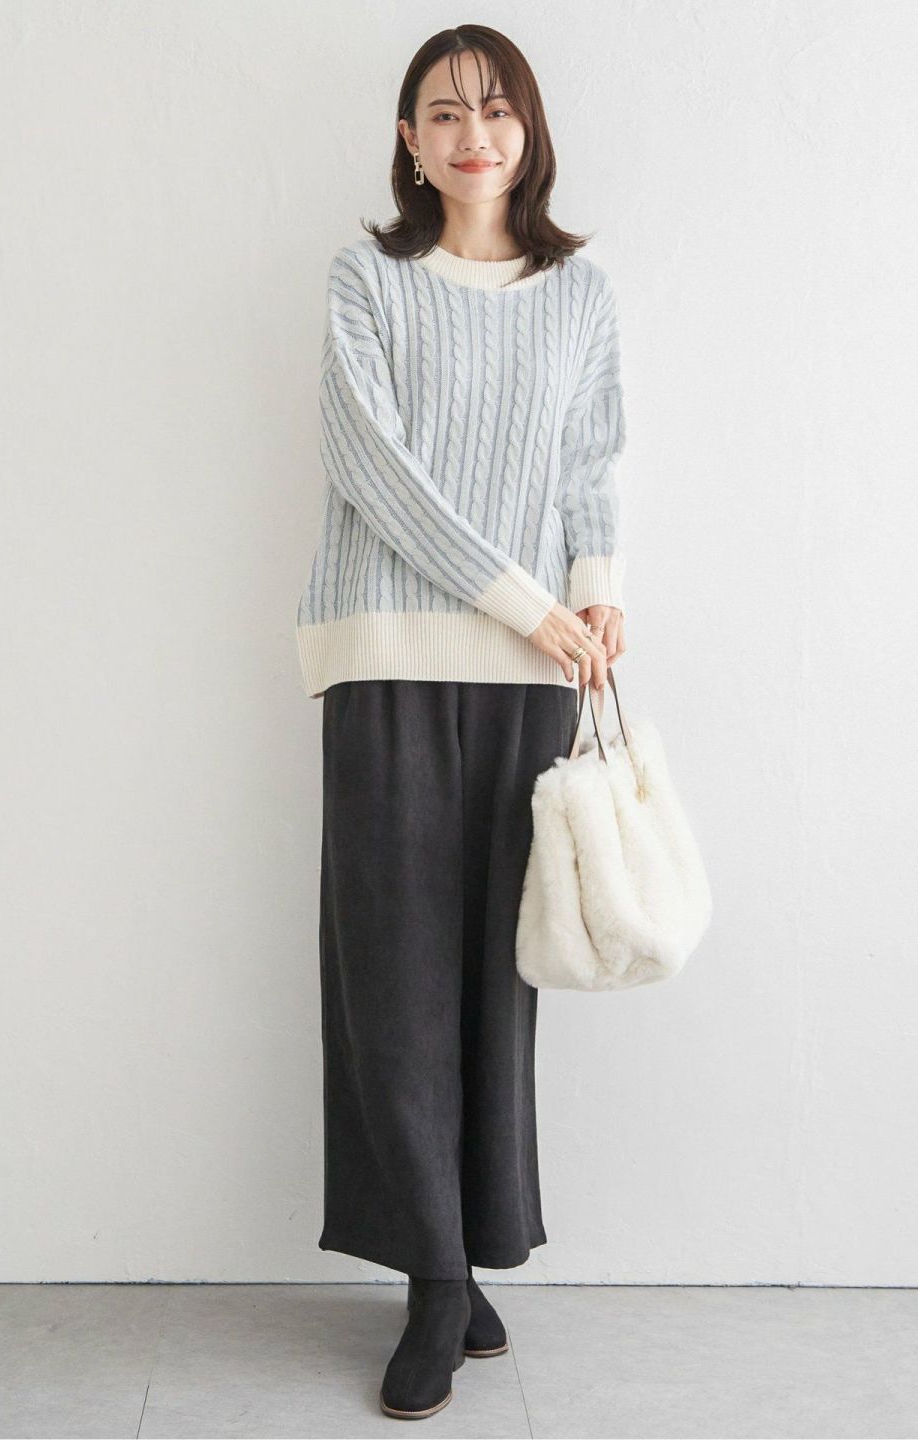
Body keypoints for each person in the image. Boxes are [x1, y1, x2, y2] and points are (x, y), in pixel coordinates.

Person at [294, 24, 629, 1422]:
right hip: (386, 656)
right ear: (409, 142)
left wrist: (596, 592)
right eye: (442, 113)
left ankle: (468, 1254)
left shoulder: (580, 293)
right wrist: (527, 600)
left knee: (498, 981)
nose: (471, 134)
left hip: (537, 675)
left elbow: (591, 458)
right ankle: (435, 1280)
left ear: (527, 131)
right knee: (392, 981)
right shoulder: (365, 279)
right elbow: (371, 465)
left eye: (494, 110)